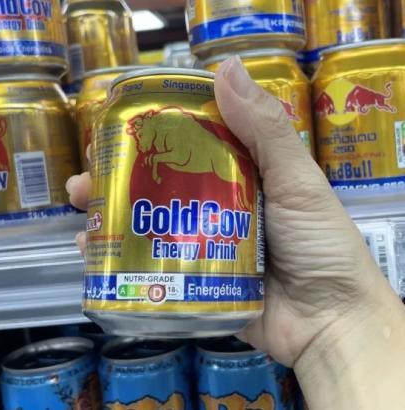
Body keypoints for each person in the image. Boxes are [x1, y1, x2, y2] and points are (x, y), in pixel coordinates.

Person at [66, 57, 405, 409]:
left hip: (230, 285)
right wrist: (335, 328)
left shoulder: (201, 117)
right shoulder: (138, 116)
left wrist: (334, 321)